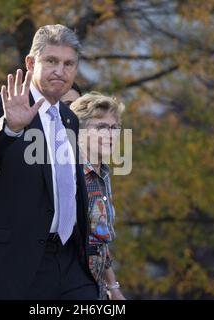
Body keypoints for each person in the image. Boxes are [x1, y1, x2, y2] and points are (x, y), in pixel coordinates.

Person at [0, 24, 99, 299]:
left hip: (67, 259)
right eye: (51, 61)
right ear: (30, 62)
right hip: (15, 260)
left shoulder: (70, 118)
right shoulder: (2, 106)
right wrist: (8, 127)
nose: (60, 71)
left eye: (68, 63)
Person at [70, 92, 126, 300]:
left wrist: (113, 287)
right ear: (78, 132)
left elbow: (99, 239)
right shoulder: (68, 175)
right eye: (101, 127)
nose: (110, 135)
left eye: (114, 128)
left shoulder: (102, 173)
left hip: (96, 288)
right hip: (68, 286)